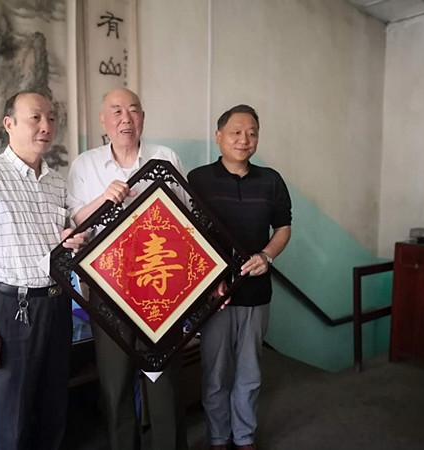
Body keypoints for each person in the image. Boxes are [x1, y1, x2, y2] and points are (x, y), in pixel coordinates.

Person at [0, 91, 85, 450]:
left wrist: (72, 239)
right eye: (35, 118)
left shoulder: (56, 182)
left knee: (53, 407)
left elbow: (61, 239)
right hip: (13, 309)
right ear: (9, 124)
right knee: (12, 417)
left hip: (58, 305)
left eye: (51, 118)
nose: (46, 126)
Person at [67, 87, 189, 450]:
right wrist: (104, 199)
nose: (126, 118)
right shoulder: (84, 165)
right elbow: (75, 224)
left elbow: (187, 220)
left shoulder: (165, 158)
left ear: (143, 118)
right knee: (115, 381)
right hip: (108, 287)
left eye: (133, 110)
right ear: (103, 120)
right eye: (117, 111)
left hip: (161, 287)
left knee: (164, 378)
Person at [187, 104, 292, 450]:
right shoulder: (198, 179)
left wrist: (267, 255)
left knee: (250, 372)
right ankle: (219, 437)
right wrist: (207, 278)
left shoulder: (271, 180)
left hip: (256, 293)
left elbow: (283, 227)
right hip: (214, 295)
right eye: (235, 132)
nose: (244, 139)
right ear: (218, 136)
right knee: (215, 373)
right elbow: (187, 233)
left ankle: (244, 436)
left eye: (251, 133)